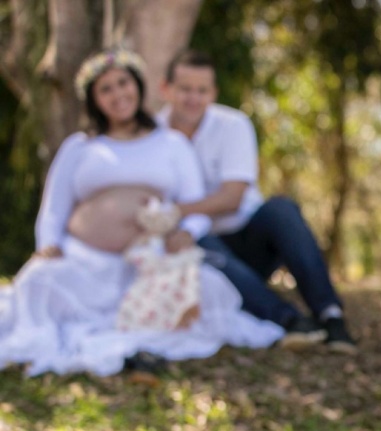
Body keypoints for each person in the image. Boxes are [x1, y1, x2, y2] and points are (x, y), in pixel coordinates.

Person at [0, 48, 282, 378]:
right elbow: (54, 207)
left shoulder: (171, 143)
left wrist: (186, 232)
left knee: (207, 290)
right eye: (106, 89)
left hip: (148, 259)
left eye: (123, 83)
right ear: (94, 99)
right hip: (84, 259)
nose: (118, 94)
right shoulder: (79, 146)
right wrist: (49, 244)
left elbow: (194, 205)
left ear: (137, 86)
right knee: (39, 281)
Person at [157, 50, 357, 353]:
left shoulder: (233, 124)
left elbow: (232, 198)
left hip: (249, 240)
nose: (193, 98)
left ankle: (331, 315)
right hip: (200, 248)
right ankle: (291, 321)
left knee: (282, 210)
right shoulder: (152, 134)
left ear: (213, 93)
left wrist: (175, 211)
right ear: (166, 89)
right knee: (198, 243)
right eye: (185, 89)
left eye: (202, 90)